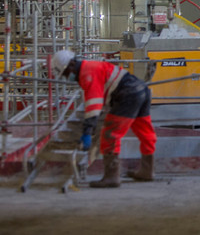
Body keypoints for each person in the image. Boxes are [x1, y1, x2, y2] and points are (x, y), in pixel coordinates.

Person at [51, 50, 157, 188]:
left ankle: (111, 177)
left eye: (65, 73)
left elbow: (93, 103)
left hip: (127, 95)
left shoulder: (86, 72)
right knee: (145, 132)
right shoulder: (91, 67)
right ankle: (147, 171)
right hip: (141, 90)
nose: (66, 77)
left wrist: (87, 132)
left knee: (110, 135)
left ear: (71, 65)